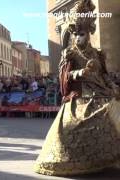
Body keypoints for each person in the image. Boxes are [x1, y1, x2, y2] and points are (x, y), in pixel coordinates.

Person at [34, 0, 120, 176]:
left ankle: (107, 157)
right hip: (80, 93)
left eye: (82, 34)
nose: (78, 38)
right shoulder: (70, 53)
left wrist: (112, 86)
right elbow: (65, 76)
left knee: (113, 110)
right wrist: (81, 72)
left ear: (88, 34)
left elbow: (104, 75)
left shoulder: (97, 54)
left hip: (101, 90)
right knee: (75, 123)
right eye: (76, 34)